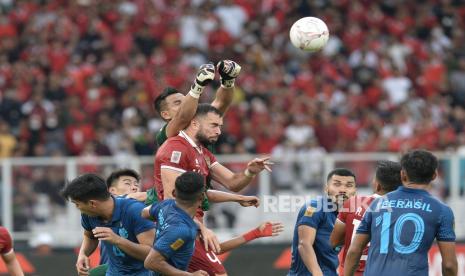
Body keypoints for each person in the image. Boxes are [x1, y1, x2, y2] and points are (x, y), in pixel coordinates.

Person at [154, 104, 273, 275]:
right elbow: (171, 202)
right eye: (214, 125)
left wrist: (249, 172)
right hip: (180, 229)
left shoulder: (203, 153)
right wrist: (202, 229)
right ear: (194, 124)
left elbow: (233, 182)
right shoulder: (175, 149)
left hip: (192, 229)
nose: (218, 131)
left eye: (220, 126)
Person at [142, 171, 284, 275]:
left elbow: (145, 213)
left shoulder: (166, 206)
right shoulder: (181, 230)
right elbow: (151, 262)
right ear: (201, 198)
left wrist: (255, 233)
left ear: (174, 193)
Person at [344, 150, 458, 276]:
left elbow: (354, 251)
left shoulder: (378, 204)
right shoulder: (442, 211)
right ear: (434, 175)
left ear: (403, 175)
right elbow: (449, 265)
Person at [61, 173, 156, 276]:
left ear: (92, 203)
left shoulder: (135, 211)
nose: (77, 208)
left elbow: (152, 254)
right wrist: (83, 254)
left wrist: (118, 240)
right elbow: (90, 236)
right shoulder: (89, 214)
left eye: (77, 204)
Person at [330, 161, 402, 275]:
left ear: (377, 184)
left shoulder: (352, 203)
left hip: (352, 271)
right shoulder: (404, 211)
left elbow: (334, 241)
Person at [289, 168, 357, 276]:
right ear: (327, 189)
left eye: (349, 185)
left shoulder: (353, 215)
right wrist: (317, 273)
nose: (343, 189)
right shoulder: (315, 207)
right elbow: (304, 244)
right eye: (337, 184)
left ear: (354, 191)